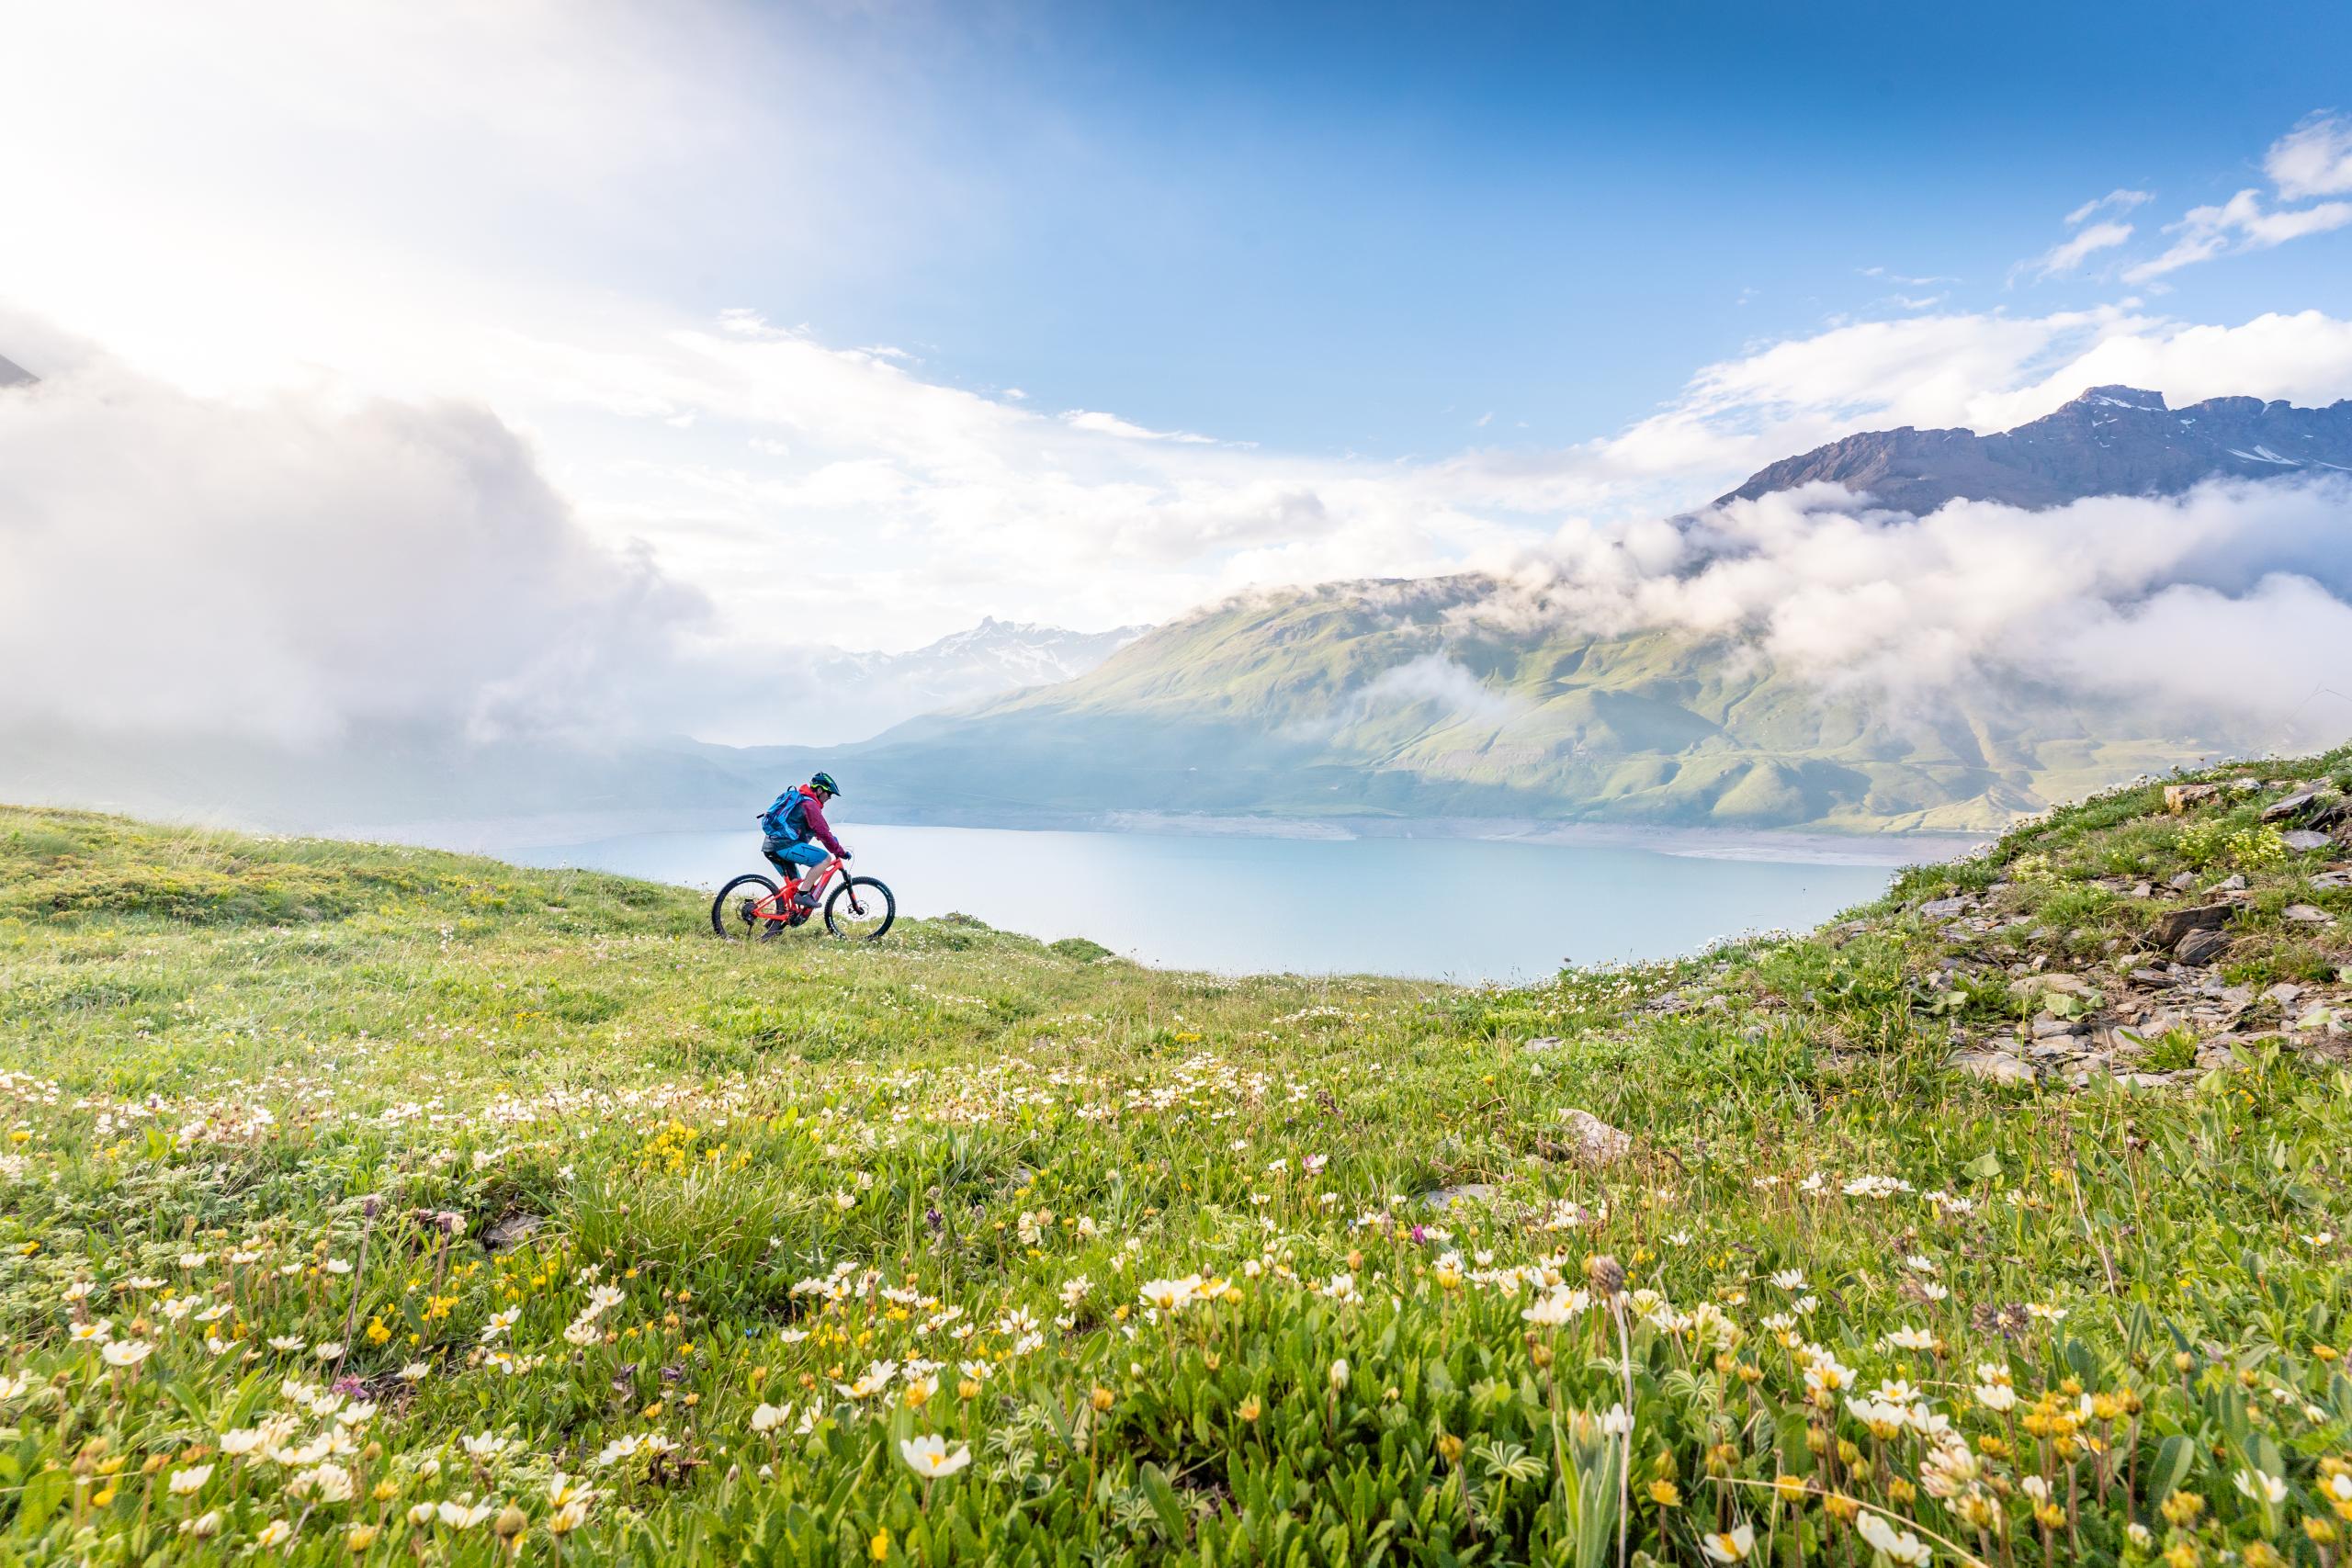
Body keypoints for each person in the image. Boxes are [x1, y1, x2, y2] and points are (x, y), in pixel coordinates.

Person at [757, 772, 850, 911]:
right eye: (829, 793)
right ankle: (804, 894)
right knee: (825, 859)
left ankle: (779, 918)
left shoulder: (802, 801)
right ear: (819, 790)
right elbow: (823, 832)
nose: (830, 797)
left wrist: (833, 842)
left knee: (794, 883)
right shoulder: (810, 805)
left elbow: (817, 832)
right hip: (785, 846)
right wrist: (839, 851)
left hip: (771, 846)